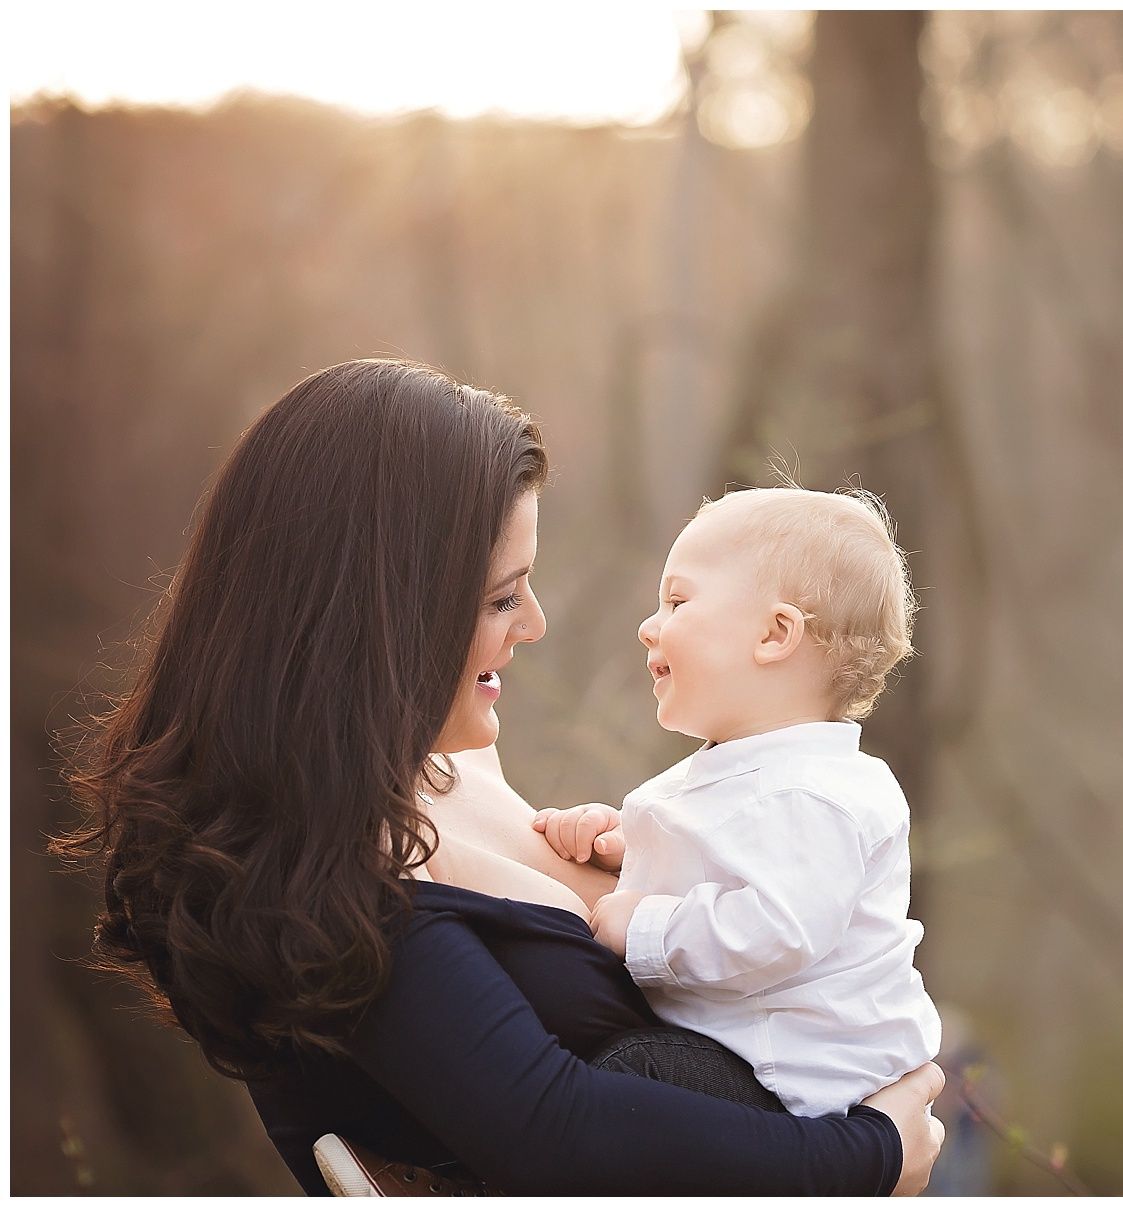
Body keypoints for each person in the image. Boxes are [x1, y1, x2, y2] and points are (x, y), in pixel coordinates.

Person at [53, 359, 944, 1195]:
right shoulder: (323, 875)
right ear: (383, 614)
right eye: (501, 598)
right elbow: (556, 1128)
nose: (537, 625)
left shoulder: (457, 756)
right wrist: (871, 1152)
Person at [527, 486, 941, 1118]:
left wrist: (643, 923)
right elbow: (720, 865)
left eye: (677, 601)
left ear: (775, 635)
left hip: (796, 1084)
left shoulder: (813, 792)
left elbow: (775, 930)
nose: (648, 626)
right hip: (741, 1054)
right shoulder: (751, 771)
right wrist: (623, 849)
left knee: (625, 1084)